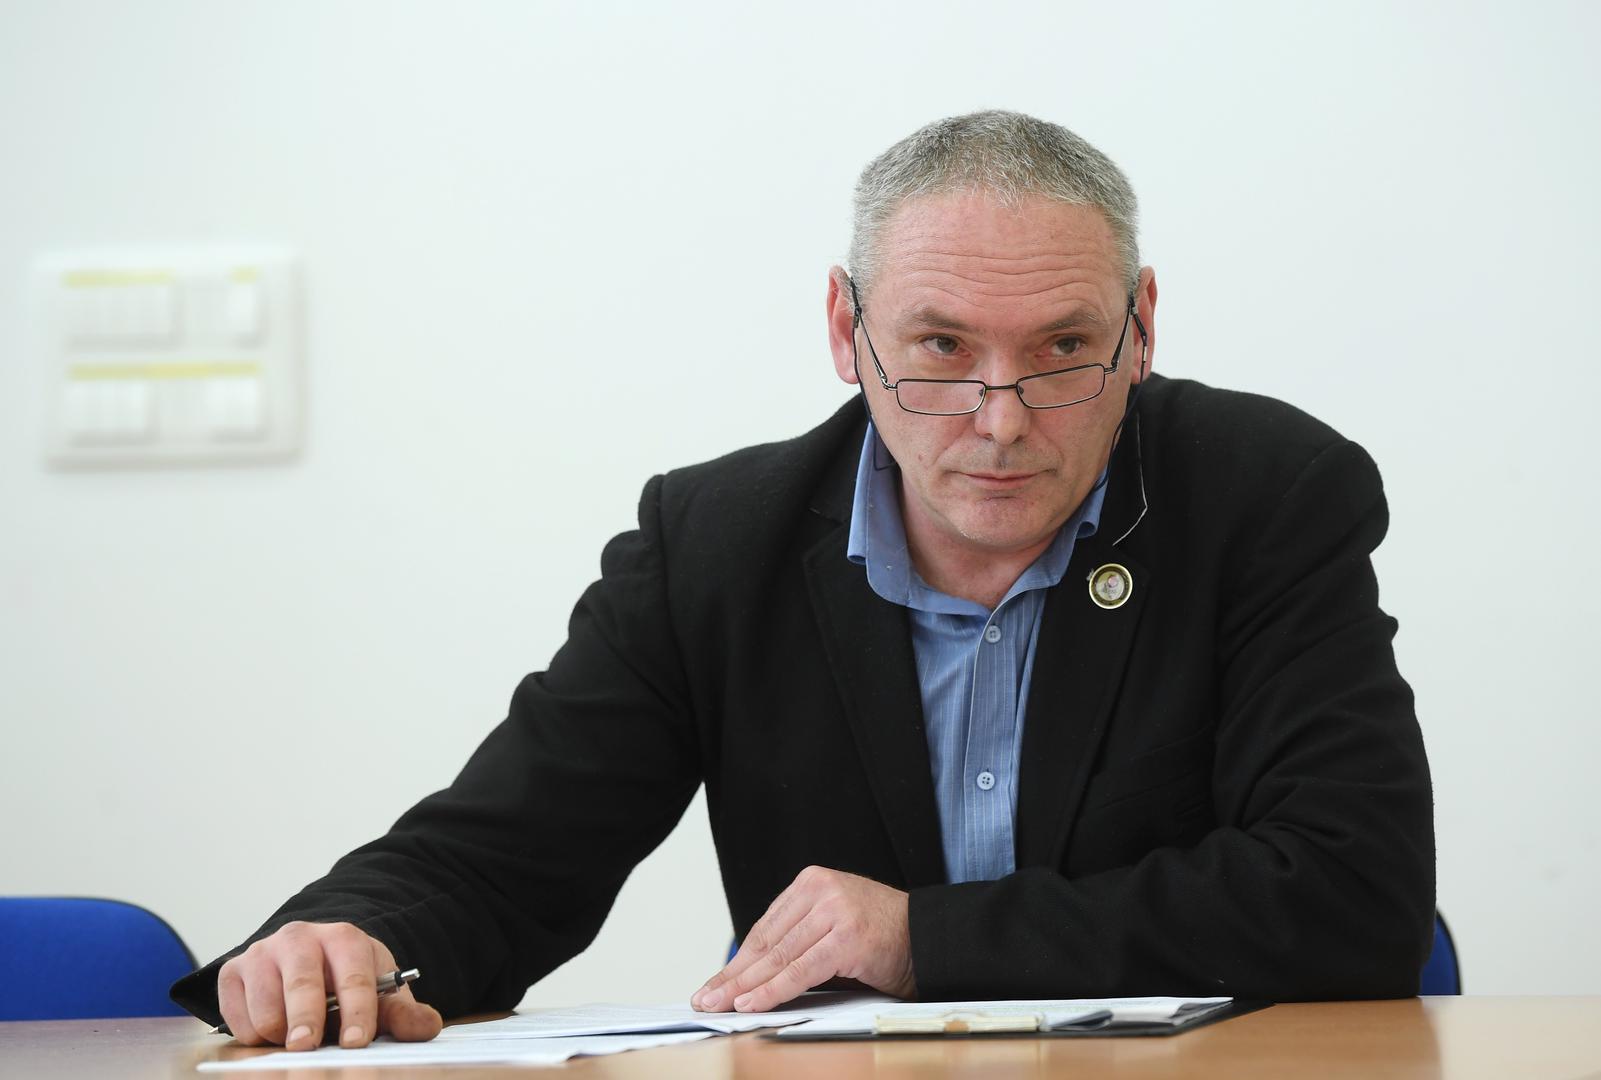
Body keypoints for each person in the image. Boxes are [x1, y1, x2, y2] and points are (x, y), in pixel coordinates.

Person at [171, 110, 1434, 1049]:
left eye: (1062, 349)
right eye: (939, 347)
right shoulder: (717, 544)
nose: (999, 419)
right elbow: (505, 856)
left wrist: (918, 939)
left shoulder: (1264, 494)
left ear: (1140, 327)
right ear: (846, 330)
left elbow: (1352, 893)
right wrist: (350, 938)